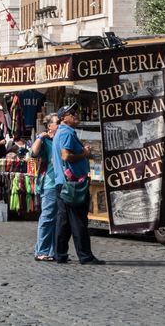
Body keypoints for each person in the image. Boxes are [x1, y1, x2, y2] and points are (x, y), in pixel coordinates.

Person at [52, 103, 104, 265]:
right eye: (71, 113)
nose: (75, 114)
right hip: (72, 184)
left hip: (62, 183)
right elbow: (66, 156)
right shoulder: (67, 133)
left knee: (64, 221)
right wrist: (84, 153)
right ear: (63, 118)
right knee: (78, 221)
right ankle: (85, 256)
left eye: (75, 111)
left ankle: (60, 254)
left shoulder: (60, 133)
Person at [31, 113, 60, 261]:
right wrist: (40, 137)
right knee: (47, 217)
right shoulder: (46, 141)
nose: (60, 124)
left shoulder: (60, 139)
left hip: (61, 183)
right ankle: (41, 250)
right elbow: (34, 153)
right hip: (49, 184)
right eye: (57, 122)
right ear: (49, 126)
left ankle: (51, 251)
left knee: (56, 219)